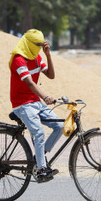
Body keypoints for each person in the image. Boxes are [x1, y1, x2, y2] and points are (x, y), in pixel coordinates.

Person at [9, 29, 63, 183]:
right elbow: (30, 82)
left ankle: (39, 158)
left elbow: (51, 75)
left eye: (42, 44)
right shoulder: (18, 59)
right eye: (37, 45)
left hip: (35, 102)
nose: (39, 47)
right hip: (22, 105)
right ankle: (40, 169)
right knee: (39, 133)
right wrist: (45, 97)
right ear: (28, 43)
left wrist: (48, 55)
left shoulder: (37, 57)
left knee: (59, 126)